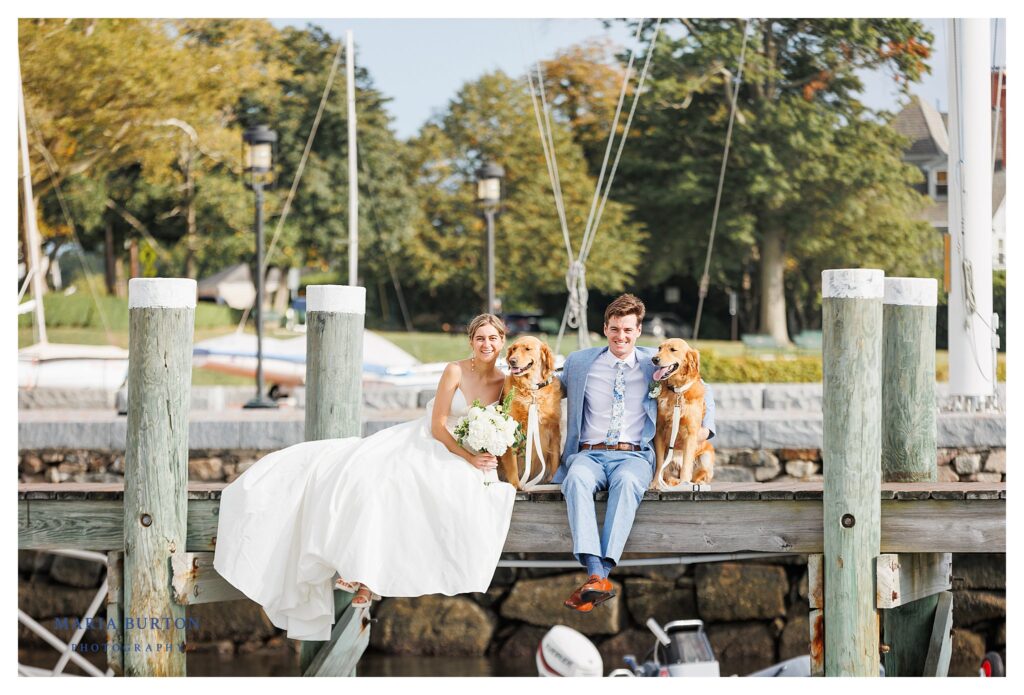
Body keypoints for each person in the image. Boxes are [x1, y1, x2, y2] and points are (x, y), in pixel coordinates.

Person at [213, 314, 516, 641]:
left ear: (502, 341)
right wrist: (468, 456)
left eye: (493, 338)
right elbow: (438, 425)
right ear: (471, 341)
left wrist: (487, 450)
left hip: (470, 451)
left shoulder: (505, 382)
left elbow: (508, 424)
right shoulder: (454, 370)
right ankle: (360, 573)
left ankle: (369, 576)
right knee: (373, 476)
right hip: (433, 439)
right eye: (480, 338)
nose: (487, 344)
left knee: (437, 488)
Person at [551, 294, 716, 612]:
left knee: (628, 483)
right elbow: (547, 386)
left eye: (628, 330)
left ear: (638, 331)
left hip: (635, 456)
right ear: (605, 328)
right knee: (575, 480)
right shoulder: (580, 362)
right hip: (589, 454)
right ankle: (598, 576)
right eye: (614, 329)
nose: (621, 336)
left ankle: (597, 575)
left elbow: (701, 385)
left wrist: (706, 428)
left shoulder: (655, 361)